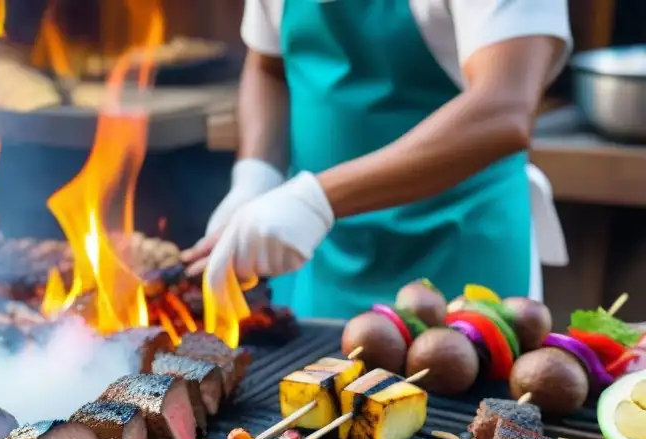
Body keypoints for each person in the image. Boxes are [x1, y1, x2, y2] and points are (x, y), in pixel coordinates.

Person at [182, 1, 572, 321]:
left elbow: (503, 108)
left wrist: (314, 201)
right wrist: (256, 177)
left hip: (456, 256)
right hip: (320, 260)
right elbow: (268, 66)